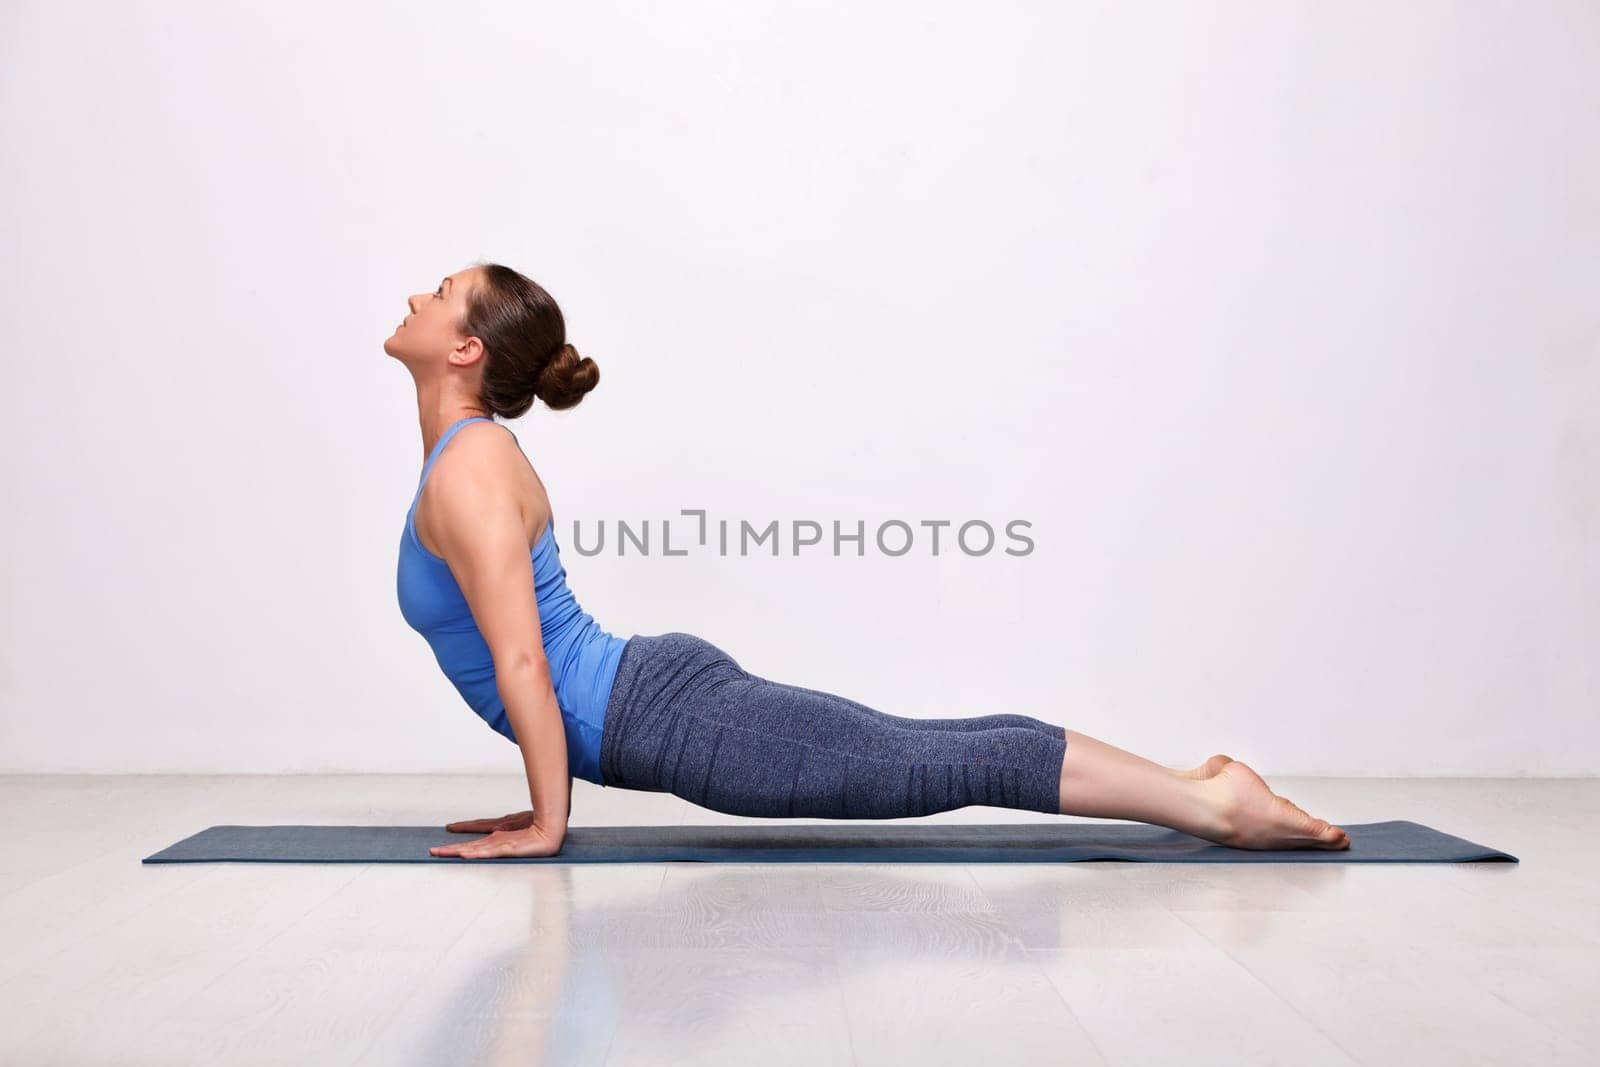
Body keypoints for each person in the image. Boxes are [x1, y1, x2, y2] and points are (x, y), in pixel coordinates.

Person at [383, 262, 1351, 860]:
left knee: (941, 758)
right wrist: (549, 783)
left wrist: (549, 822)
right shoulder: (462, 461)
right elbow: (528, 660)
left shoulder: (467, 470)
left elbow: (522, 660)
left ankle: (1219, 804)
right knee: (934, 746)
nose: (415, 293)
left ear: (464, 347)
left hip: (672, 716)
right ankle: (1194, 784)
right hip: (650, 702)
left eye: (438, 291)